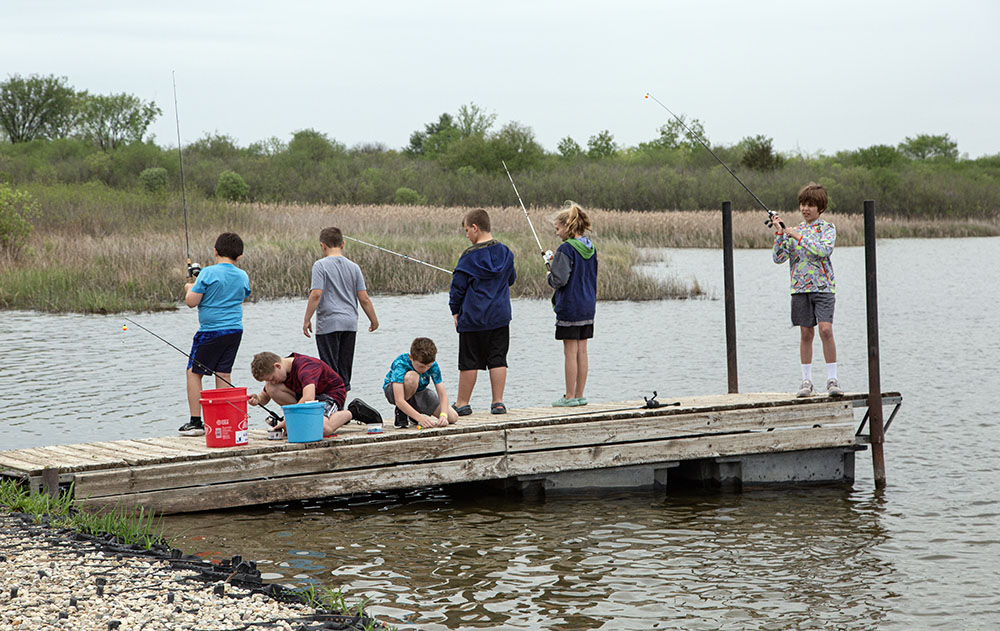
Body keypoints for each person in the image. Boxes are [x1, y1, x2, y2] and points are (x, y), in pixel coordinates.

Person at [770, 182, 843, 398]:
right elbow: (779, 258)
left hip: (824, 288)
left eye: (810, 205)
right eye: (802, 204)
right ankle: (806, 381)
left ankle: (832, 379)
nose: (805, 209)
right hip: (799, 289)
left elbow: (823, 250)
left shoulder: (827, 229)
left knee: (826, 330)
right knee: (805, 333)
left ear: (820, 208)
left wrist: (797, 236)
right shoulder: (794, 231)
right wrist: (780, 234)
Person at [179, 232, 251, 436]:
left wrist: (189, 287)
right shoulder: (242, 275)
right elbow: (241, 294)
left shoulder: (208, 273)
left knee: (194, 372)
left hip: (210, 332)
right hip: (234, 331)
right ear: (239, 257)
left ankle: (195, 422)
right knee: (223, 373)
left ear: (215, 251)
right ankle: (223, 419)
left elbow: (191, 302)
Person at [449, 208, 517, 415]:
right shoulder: (506, 252)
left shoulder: (469, 257)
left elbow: (457, 289)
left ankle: (462, 403)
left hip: (473, 318)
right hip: (500, 317)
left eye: (467, 230)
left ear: (475, 228)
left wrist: (455, 311)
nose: (467, 235)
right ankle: (497, 402)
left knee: (469, 361)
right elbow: (511, 279)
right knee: (498, 358)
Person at [302, 227, 378, 392]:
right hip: (349, 323)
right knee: (344, 370)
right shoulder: (354, 267)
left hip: (328, 323)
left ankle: (334, 410)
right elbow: (363, 298)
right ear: (343, 244)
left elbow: (316, 294)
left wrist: (307, 319)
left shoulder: (320, 266)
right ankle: (341, 407)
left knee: (329, 370)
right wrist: (374, 319)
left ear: (322, 246)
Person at [248, 351, 382, 437]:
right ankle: (305, 419)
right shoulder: (279, 373)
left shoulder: (305, 367)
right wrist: (257, 399)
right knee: (272, 388)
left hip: (329, 394)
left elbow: (308, 398)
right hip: (308, 398)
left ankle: (354, 411)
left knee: (323, 429)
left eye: (271, 377)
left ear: (277, 366)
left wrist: (289, 420)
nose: (271, 381)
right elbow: (265, 396)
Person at [546, 202, 598, 407]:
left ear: (567, 227)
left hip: (570, 307)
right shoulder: (590, 247)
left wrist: (549, 275)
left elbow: (559, 280)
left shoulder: (566, 248)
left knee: (570, 352)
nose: (557, 233)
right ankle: (579, 394)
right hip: (587, 306)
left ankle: (569, 397)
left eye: (558, 229)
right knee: (582, 351)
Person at [383, 337, 460, 429]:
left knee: (452, 417)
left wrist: (443, 415)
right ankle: (402, 412)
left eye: (429, 366)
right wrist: (420, 418)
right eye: (421, 366)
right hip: (395, 392)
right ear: (411, 358)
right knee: (413, 377)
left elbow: (442, 394)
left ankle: (412, 413)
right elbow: (399, 400)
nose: (425, 369)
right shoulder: (401, 363)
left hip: (419, 391)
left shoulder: (433, 366)